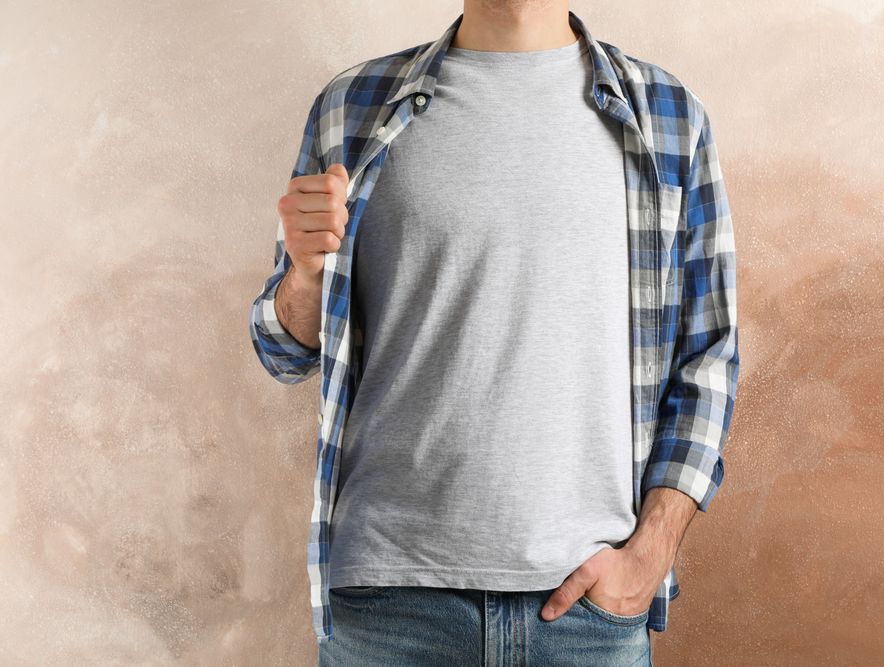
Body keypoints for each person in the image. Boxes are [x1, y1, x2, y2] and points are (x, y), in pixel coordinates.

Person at [248, 1, 739, 664]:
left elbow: (707, 354)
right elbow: (283, 349)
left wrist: (650, 551)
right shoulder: (354, 107)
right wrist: (306, 276)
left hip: (588, 612)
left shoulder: (669, 117)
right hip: (390, 607)